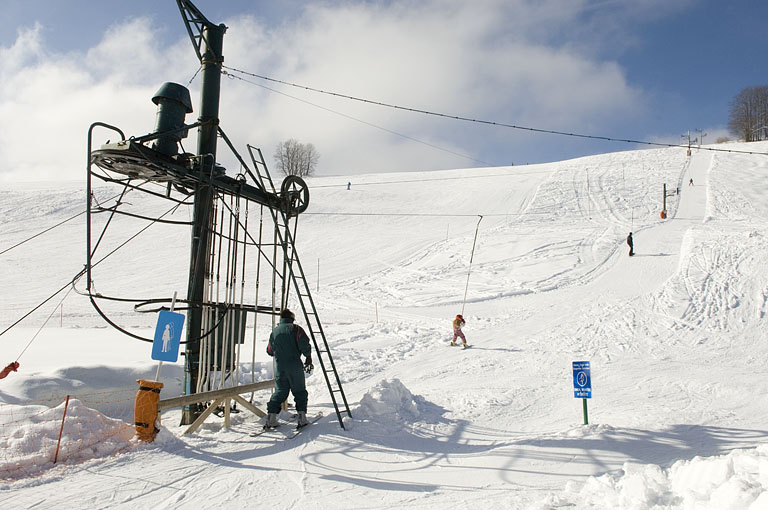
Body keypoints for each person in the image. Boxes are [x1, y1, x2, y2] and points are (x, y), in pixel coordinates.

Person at [265, 309, 313, 428]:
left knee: (280, 391)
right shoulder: (296, 329)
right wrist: (308, 356)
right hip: (294, 365)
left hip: (280, 367)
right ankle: (302, 417)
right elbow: (304, 345)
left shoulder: (274, 332)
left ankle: (271, 418)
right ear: (292, 318)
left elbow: (269, 351)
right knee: (299, 391)